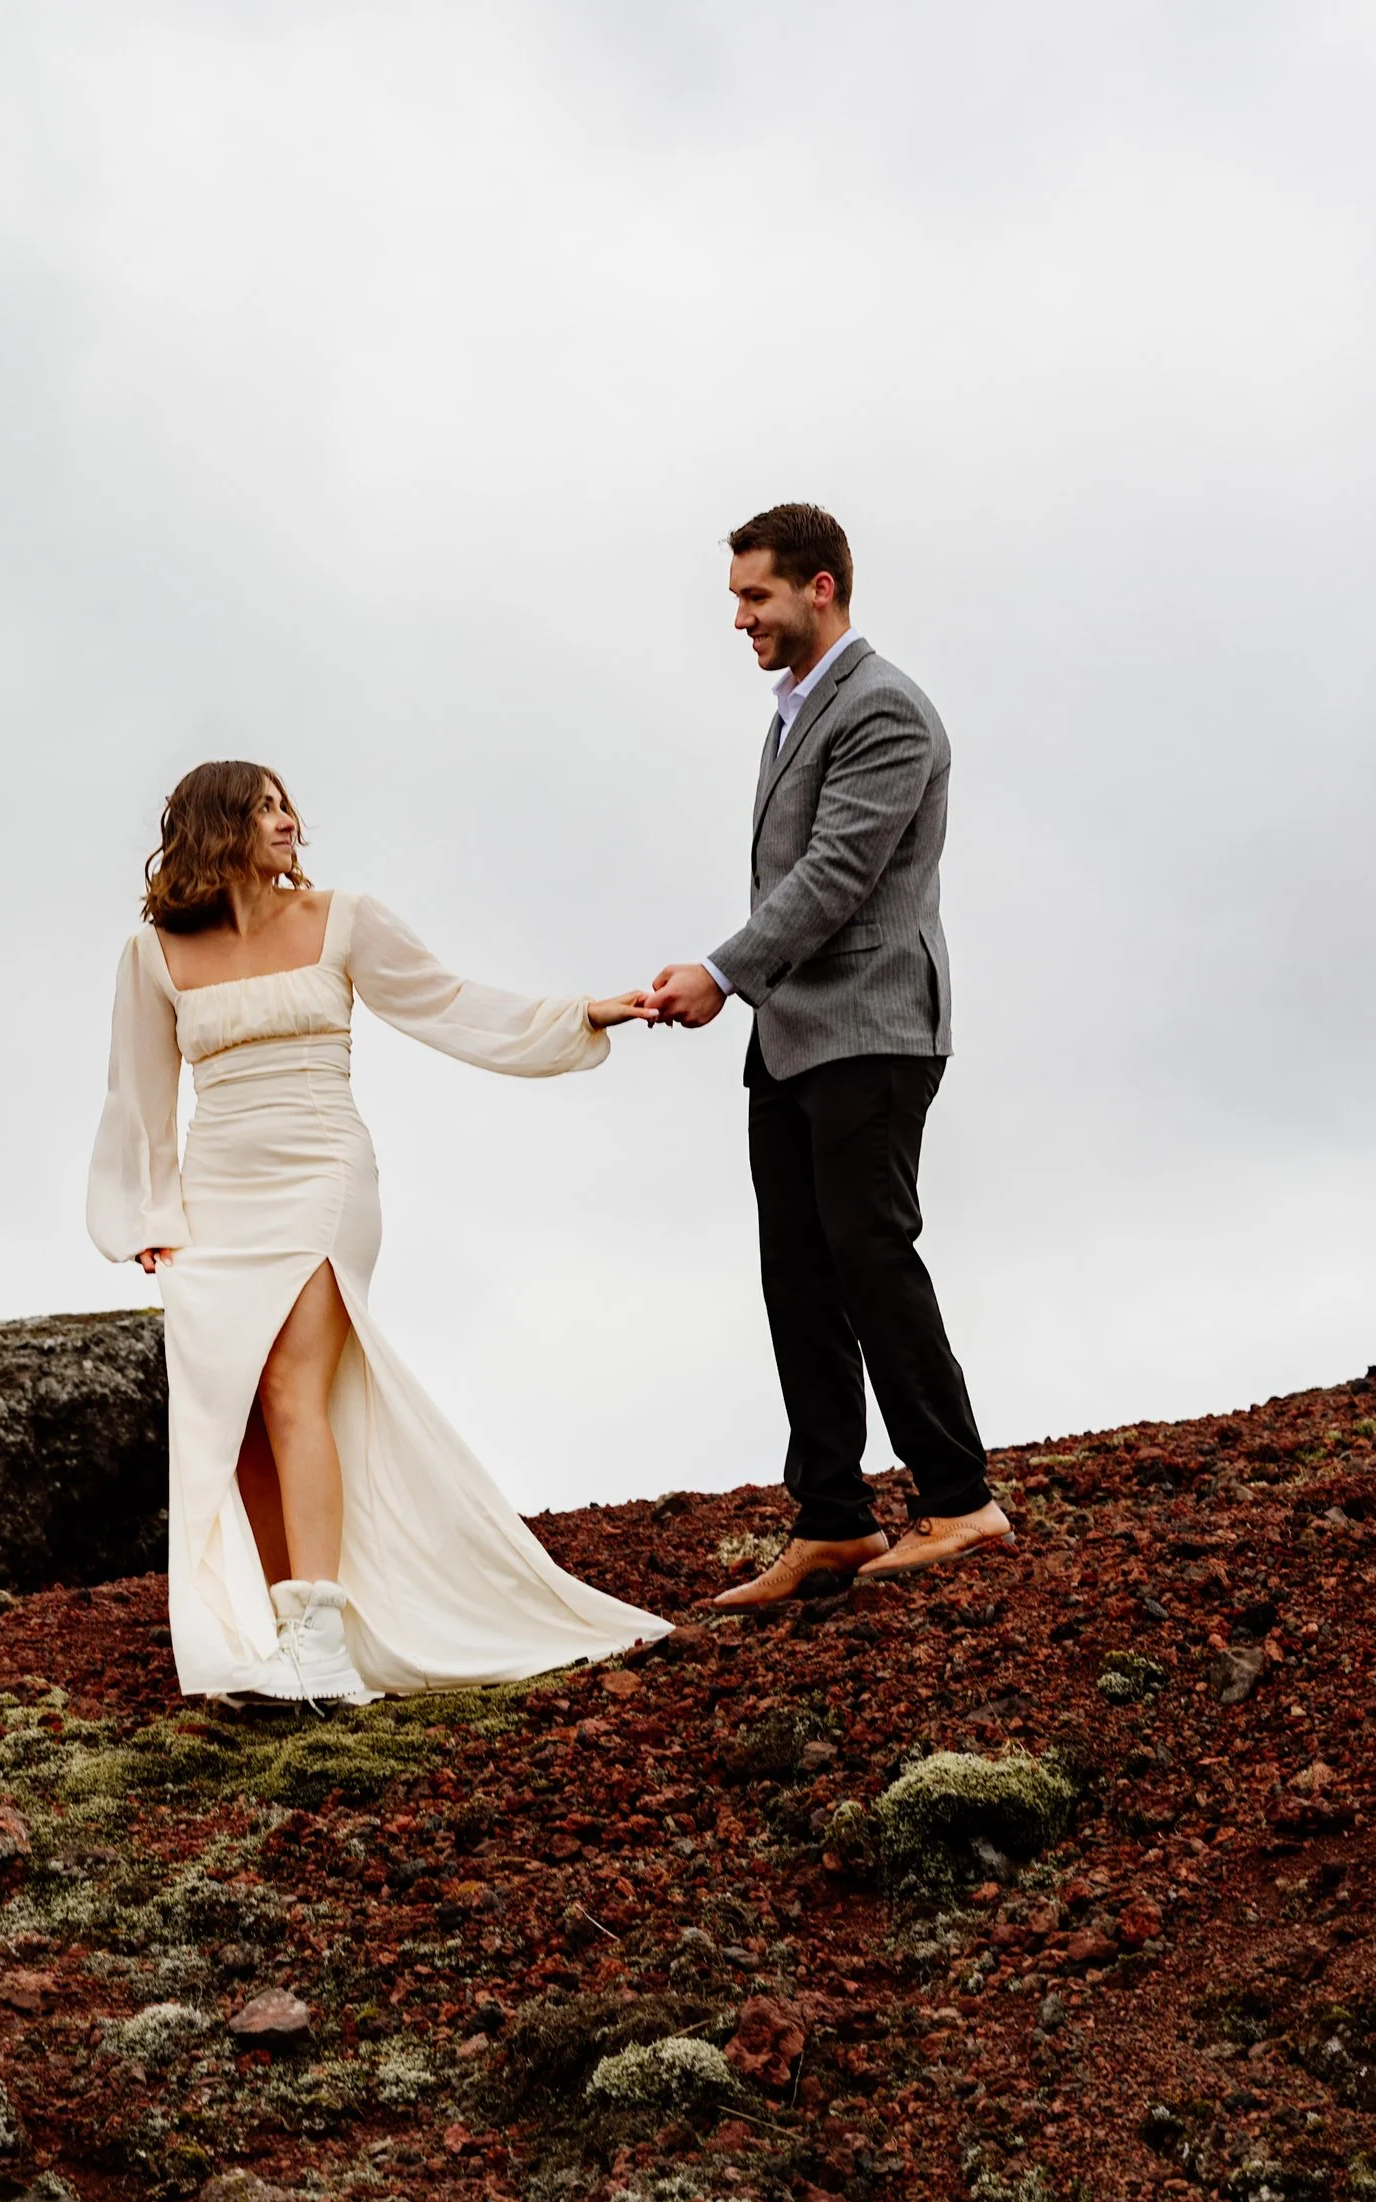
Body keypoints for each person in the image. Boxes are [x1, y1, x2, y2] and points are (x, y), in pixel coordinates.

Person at [88, 763, 668, 1703]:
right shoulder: (152, 954)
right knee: (232, 1424)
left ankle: (323, 1638)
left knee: (287, 1386)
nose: (289, 821)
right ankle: (278, 1632)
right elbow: (139, 1094)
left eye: (287, 805)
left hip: (322, 1175)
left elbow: (446, 1001)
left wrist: (579, 1016)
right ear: (217, 826)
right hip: (216, 1200)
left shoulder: (342, 917)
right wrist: (150, 1217)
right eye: (267, 807)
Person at [640, 502, 1011, 1602]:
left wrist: (720, 971)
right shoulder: (795, 710)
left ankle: (957, 1501)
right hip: (793, 1034)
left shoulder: (885, 708)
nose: (741, 618)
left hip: (873, 1028)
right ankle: (833, 1523)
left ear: (821, 588)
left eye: (755, 596)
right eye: (736, 599)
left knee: (868, 1253)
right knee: (797, 1275)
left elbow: (836, 874)